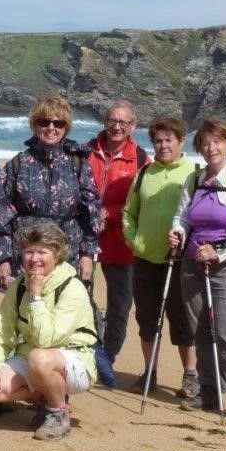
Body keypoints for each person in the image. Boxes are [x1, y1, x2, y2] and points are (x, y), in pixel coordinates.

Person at [168, 119, 226, 423]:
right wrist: (178, 233)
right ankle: (209, 391)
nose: (211, 148)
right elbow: (183, 216)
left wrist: (219, 250)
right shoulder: (195, 180)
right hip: (193, 263)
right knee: (200, 329)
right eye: (206, 143)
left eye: (217, 142)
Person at [0, 221, 98, 440]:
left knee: (39, 357)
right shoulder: (19, 285)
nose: (34, 259)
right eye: (28, 252)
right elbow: (1, 333)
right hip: (33, 357)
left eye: (42, 252)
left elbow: (46, 339)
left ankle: (58, 412)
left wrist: (35, 297)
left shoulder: (72, 287)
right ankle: (44, 393)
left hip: (73, 360)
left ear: (57, 255)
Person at [0, 95, 101, 290]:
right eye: (44, 122)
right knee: (25, 316)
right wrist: (1, 259)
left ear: (66, 128)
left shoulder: (79, 164)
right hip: (27, 260)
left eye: (58, 123)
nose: (51, 128)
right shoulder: (18, 164)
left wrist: (87, 256)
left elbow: (91, 214)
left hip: (67, 260)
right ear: (35, 125)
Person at [122, 115, 199, 397]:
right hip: (146, 259)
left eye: (169, 140)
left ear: (181, 141)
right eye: (158, 140)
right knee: (147, 320)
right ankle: (149, 372)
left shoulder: (195, 172)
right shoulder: (144, 173)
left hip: (182, 261)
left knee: (184, 321)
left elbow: (202, 217)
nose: (163, 145)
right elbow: (129, 212)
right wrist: (132, 240)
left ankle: (190, 376)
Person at [85, 101, 150, 364]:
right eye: (113, 120)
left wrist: (107, 214)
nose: (117, 127)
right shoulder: (84, 150)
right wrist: (90, 214)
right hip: (85, 238)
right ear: (105, 121)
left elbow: (141, 201)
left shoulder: (142, 159)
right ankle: (85, 347)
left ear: (133, 126)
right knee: (77, 297)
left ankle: (106, 356)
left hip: (121, 242)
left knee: (120, 306)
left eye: (124, 122)